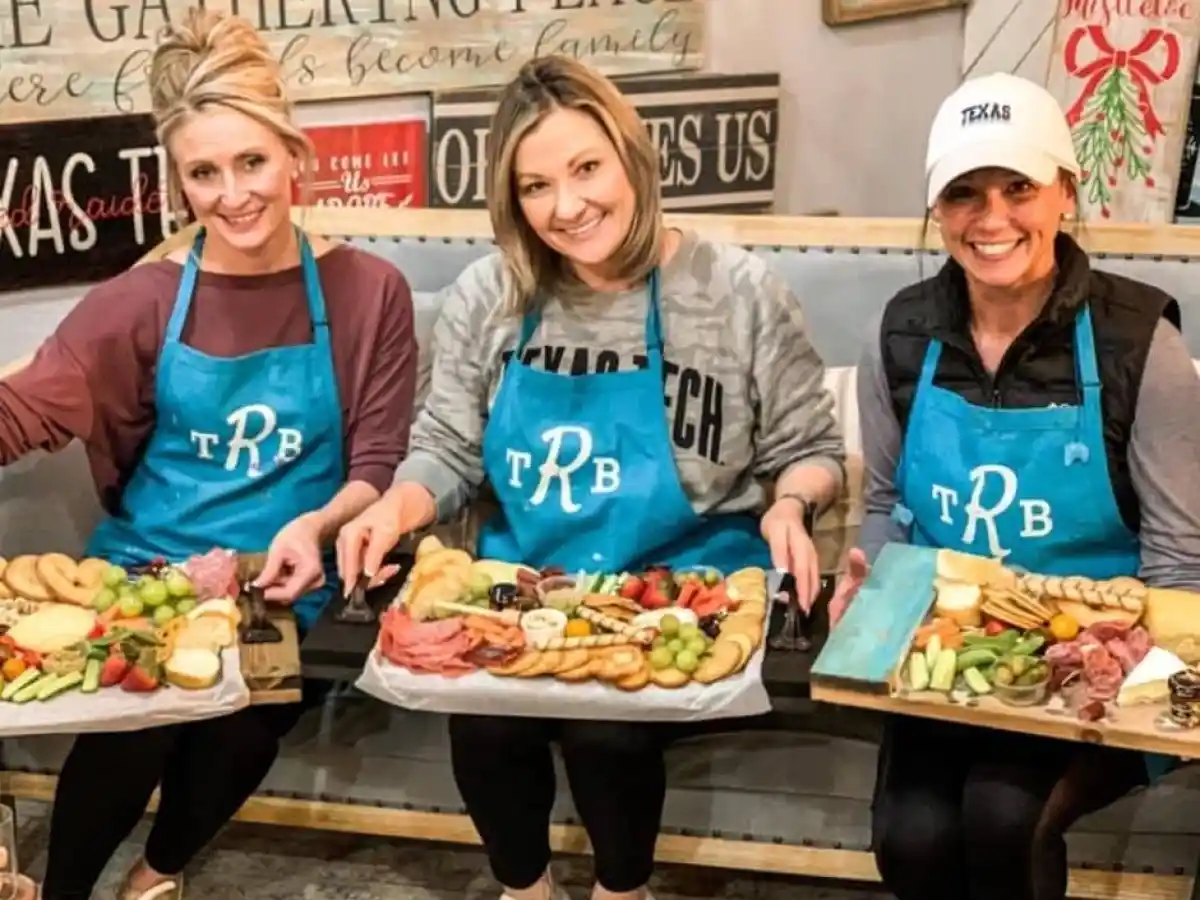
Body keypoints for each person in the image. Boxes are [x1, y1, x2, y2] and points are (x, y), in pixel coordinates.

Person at [336, 56, 845, 900]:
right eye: (536, 186)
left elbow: (808, 446)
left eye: (585, 169)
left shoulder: (736, 289)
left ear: (630, 157)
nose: (566, 207)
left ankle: (621, 890)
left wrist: (793, 503)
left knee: (605, 730)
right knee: (485, 728)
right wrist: (395, 507)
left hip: (684, 587)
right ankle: (523, 888)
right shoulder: (488, 295)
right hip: (530, 585)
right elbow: (449, 447)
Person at [0, 10, 417, 899]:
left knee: (245, 725)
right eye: (203, 172)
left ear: (294, 154)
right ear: (179, 180)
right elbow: (30, 407)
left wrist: (320, 523)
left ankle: (152, 879)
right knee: (136, 721)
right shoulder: (146, 295)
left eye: (252, 162)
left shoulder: (369, 291)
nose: (233, 195)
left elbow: (376, 462)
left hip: (280, 572)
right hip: (145, 568)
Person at [839, 72, 1200, 900]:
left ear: (1065, 193)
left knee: (1003, 816)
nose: (992, 218)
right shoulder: (899, 334)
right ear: (937, 209)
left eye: (1019, 187)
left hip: (1099, 656)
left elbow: (1179, 563)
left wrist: (1130, 684)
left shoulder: (1141, 343)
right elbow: (888, 506)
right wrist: (869, 582)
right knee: (913, 837)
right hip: (946, 654)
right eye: (964, 192)